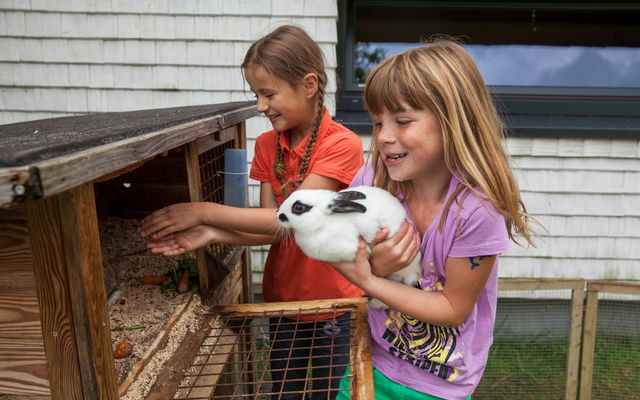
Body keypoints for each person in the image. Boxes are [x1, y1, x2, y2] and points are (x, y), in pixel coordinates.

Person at [138, 25, 364, 399]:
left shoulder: (342, 144)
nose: (260, 106)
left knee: (327, 393)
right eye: (256, 94)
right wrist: (212, 233)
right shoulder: (266, 144)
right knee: (284, 392)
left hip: (334, 304)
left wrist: (204, 212)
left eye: (268, 93)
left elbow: (292, 218)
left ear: (309, 85)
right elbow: (273, 229)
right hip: (281, 300)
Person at [330, 39, 536, 400]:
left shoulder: (478, 209)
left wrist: (369, 279)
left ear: (453, 121)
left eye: (402, 121)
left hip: (438, 384)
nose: (383, 137)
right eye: (377, 122)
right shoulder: (372, 178)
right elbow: (334, 239)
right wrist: (372, 265)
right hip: (370, 355)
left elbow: (453, 308)